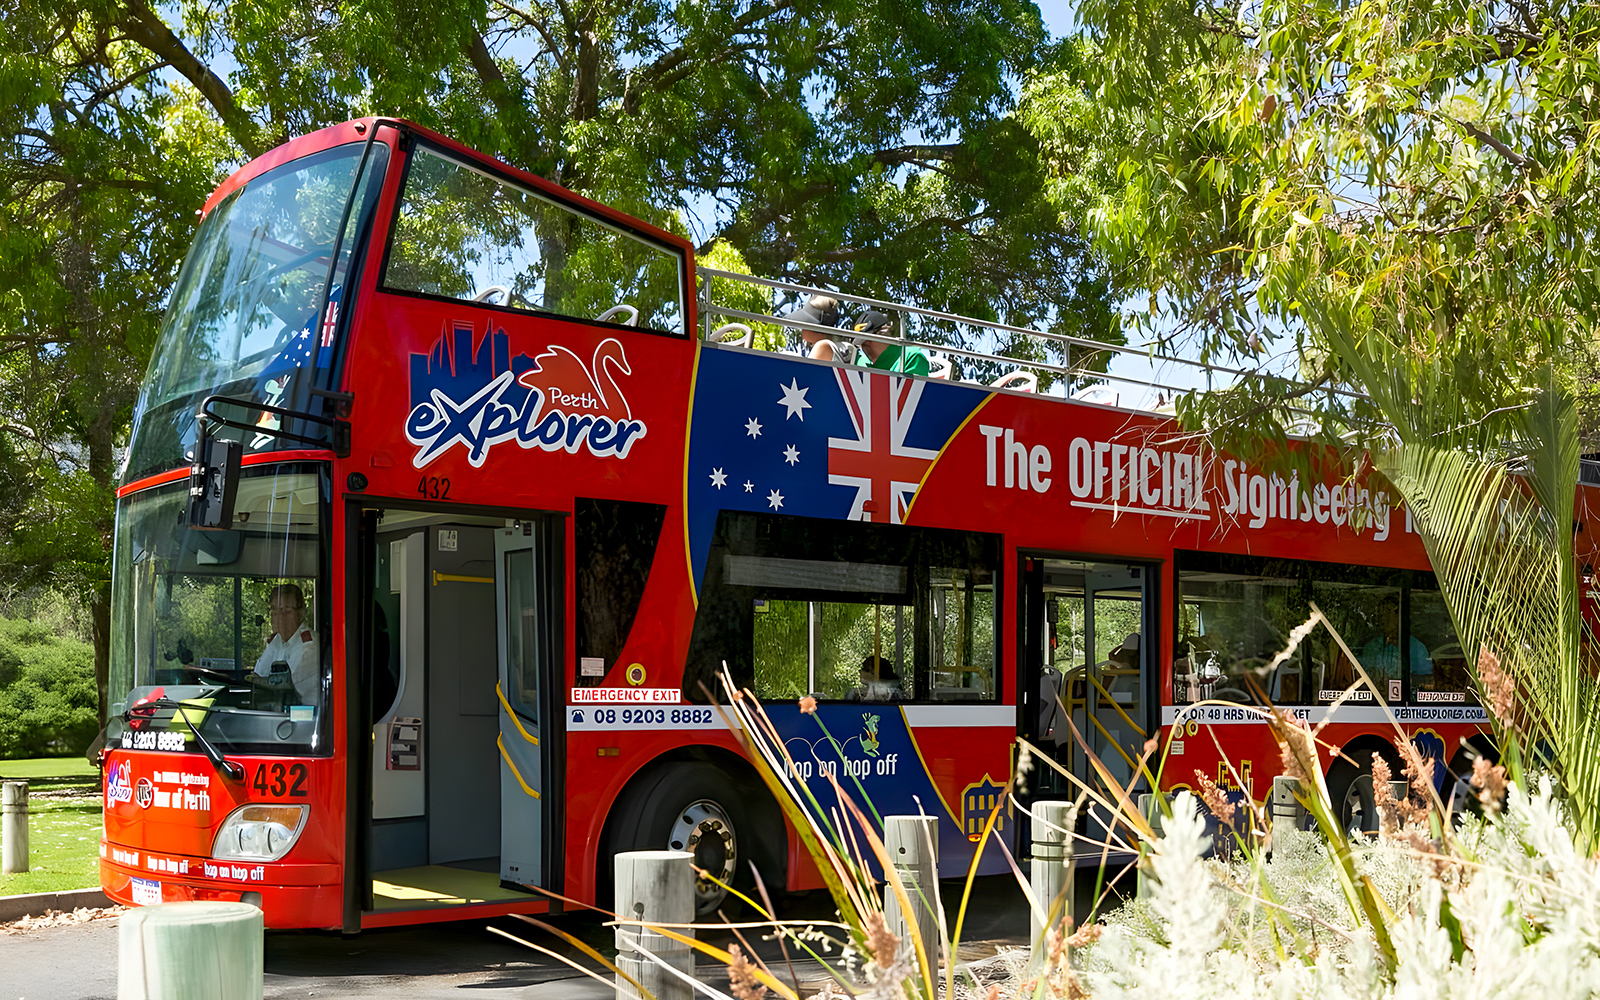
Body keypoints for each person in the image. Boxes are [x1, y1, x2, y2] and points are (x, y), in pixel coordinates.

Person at [254, 583, 321, 707]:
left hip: (304, 713)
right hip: (281, 708)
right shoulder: (278, 640)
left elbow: (285, 689)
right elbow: (258, 676)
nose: (278, 616)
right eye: (274, 610)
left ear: (301, 613)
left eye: (285, 610)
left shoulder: (310, 646)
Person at [852, 310, 929, 376]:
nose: (864, 346)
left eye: (868, 340)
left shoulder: (911, 357)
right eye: (861, 342)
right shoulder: (857, 359)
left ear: (885, 333)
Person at [790, 294, 847, 360]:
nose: (802, 330)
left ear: (812, 327)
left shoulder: (823, 346)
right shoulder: (839, 348)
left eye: (804, 325)